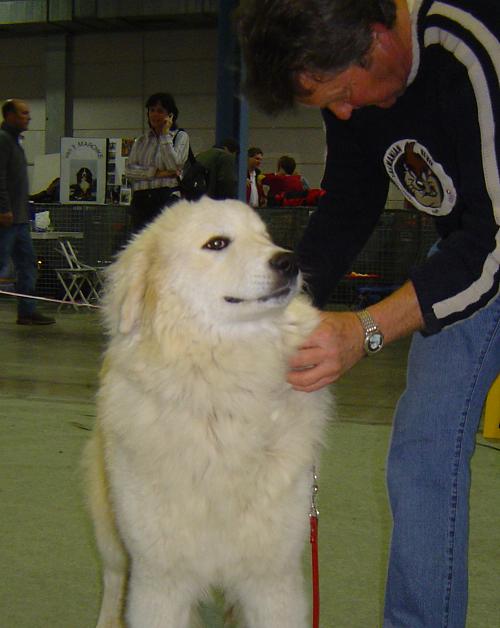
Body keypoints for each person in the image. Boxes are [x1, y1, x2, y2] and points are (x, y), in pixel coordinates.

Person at [236, 1, 499, 627]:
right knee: (423, 448)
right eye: (329, 104)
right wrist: (288, 311)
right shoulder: (346, 89)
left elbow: (494, 236)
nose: (344, 113)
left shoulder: (469, 46)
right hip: (467, 246)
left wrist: (367, 329)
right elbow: (351, 201)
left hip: (488, 239)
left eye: (346, 93)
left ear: (378, 38)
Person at [0, 99, 55, 325]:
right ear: (10, 116)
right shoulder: (3, 141)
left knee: (27, 264)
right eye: (24, 113)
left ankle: (27, 310)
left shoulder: (15, 141)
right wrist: (3, 209)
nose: (28, 117)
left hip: (20, 218)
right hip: (7, 218)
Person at [125, 92, 189, 233]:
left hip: (166, 198)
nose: (154, 114)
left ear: (170, 115)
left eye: (160, 111)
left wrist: (165, 135)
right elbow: (129, 170)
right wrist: (157, 173)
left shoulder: (180, 137)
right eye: (152, 110)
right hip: (141, 199)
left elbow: (174, 165)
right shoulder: (141, 141)